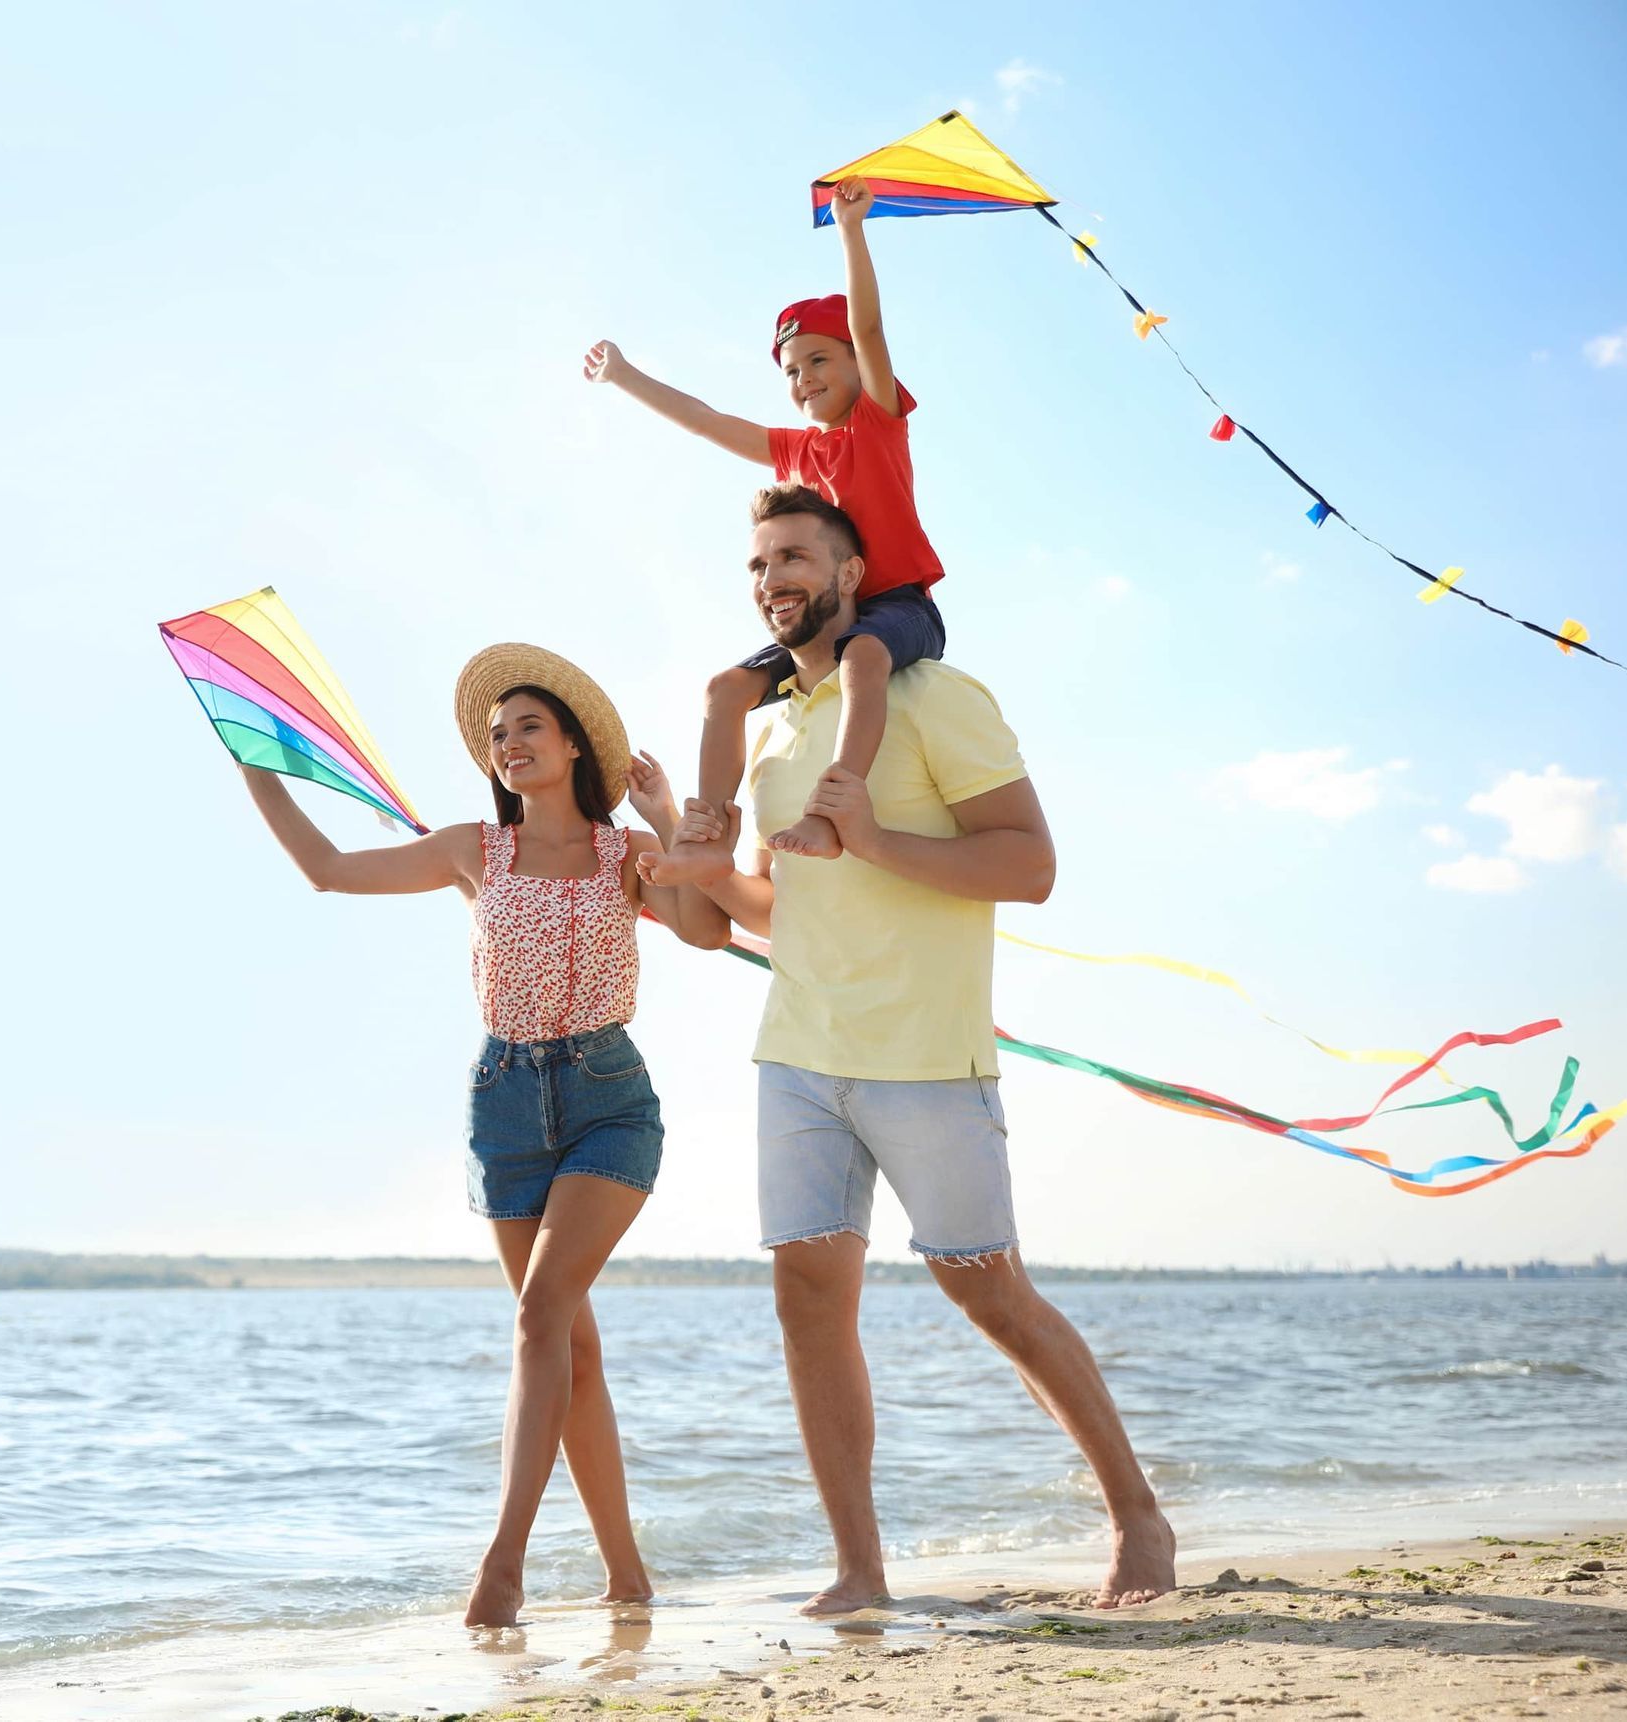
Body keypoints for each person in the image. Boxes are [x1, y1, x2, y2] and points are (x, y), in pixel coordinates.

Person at [657, 485, 1178, 1615]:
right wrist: (696, 887)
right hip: (797, 1054)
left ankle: (1137, 1513)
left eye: (794, 556)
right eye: (757, 565)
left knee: (991, 1297)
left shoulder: (936, 699)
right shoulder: (775, 734)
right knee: (806, 1298)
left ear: (852, 576)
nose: (771, 579)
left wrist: (879, 837)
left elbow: (1028, 865)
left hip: (929, 1057)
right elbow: (785, 906)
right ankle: (860, 1567)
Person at [237, 642, 730, 1627]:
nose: (509, 744)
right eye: (497, 735)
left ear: (573, 743)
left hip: (606, 1097)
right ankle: (628, 1578)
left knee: (540, 1316)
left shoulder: (622, 852)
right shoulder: (476, 849)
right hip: (503, 1102)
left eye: (528, 727)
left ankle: (500, 1566)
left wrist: (666, 819)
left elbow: (707, 928)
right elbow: (330, 871)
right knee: (567, 1345)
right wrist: (264, 772)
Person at [585, 175, 945, 875]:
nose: (803, 378)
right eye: (790, 369)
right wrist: (624, 377)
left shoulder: (877, 423)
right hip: (830, 615)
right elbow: (707, 421)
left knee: (864, 658)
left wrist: (852, 231)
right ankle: (705, 834)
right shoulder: (796, 451)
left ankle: (834, 809)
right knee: (724, 690)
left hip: (899, 610)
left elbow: (868, 329)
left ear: (852, 365)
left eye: (818, 360)